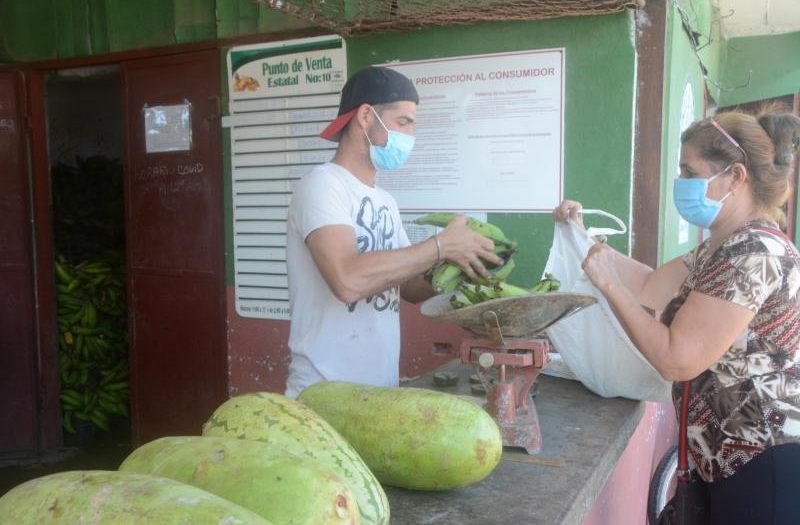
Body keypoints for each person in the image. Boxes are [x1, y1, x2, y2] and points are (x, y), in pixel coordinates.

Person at [554, 108, 800, 524]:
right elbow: (651, 285)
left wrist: (608, 286)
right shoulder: (721, 246)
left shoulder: (752, 253)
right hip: (728, 458)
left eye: (690, 171)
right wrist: (582, 239)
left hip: (761, 462)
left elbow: (677, 358)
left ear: (736, 177)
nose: (681, 183)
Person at [285, 66, 501, 398]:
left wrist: (459, 267)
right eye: (403, 123)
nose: (410, 136)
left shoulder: (384, 199)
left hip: (377, 391)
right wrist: (442, 246)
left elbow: (410, 288)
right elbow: (348, 280)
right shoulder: (322, 185)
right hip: (324, 395)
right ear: (366, 116)